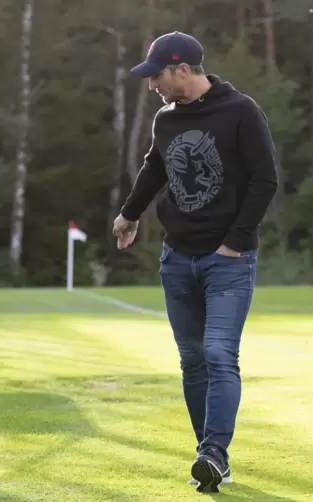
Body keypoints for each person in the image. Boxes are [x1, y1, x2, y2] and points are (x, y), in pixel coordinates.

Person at [114, 32, 278, 493]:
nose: (153, 86)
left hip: (227, 259)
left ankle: (214, 455)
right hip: (177, 258)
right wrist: (129, 214)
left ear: (182, 70)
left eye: (157, 77)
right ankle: (208, 453)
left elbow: (265, 180)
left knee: (219, 354)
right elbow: (155, 168)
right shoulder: (165, 119)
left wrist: (235, 242)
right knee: (192, 361)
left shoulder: (241, 112)